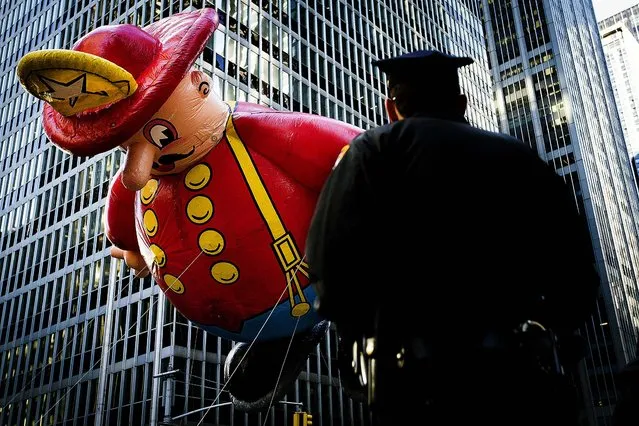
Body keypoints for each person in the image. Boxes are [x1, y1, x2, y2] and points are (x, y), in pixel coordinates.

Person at [305, 50, 600, 425]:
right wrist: (545, 328)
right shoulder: (521, 158)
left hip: (413, 384)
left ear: (390, 106)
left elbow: (329, 264)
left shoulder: (374, 150)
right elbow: (577, 276)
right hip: (518, 381)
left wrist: (365, 336)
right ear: (462, 102)